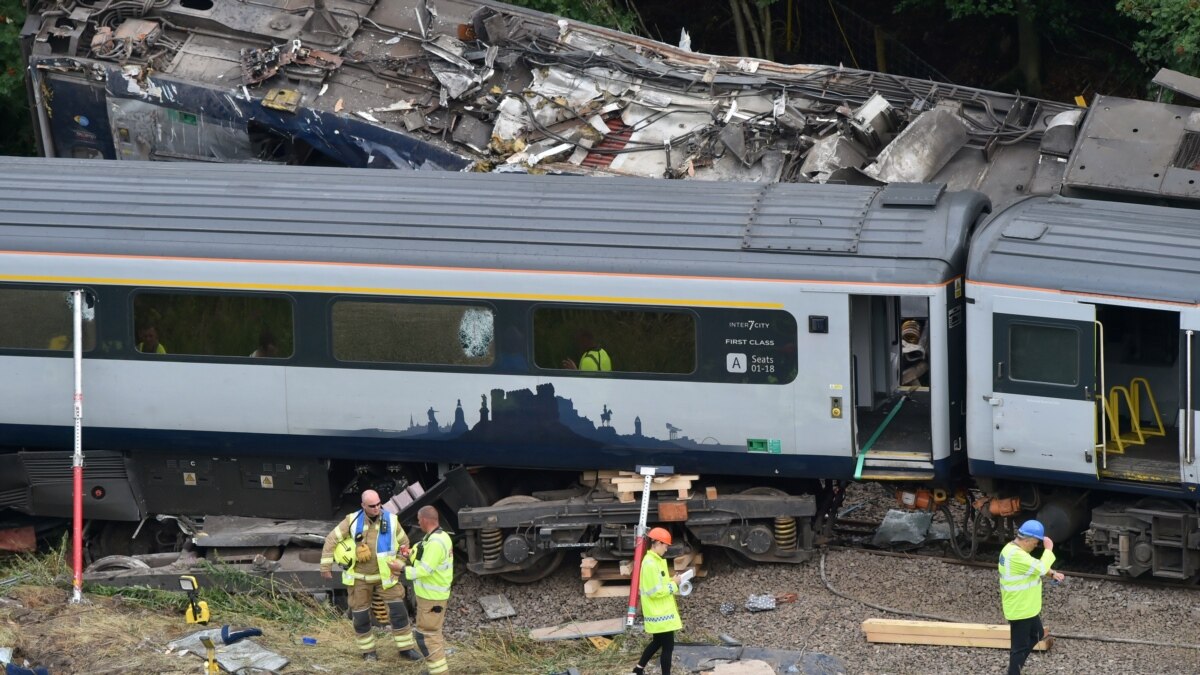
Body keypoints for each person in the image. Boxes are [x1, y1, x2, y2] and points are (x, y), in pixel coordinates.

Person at [320, 490, 421, 663]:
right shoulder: (352, 520)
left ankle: (406, 648)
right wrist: (325, 566)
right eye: (372, 506)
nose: (377, 508)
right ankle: (368, 652)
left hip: (386, 577)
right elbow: (331, 539)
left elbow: (404, 544)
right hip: (359, 579)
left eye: (379, 504)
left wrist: (399, 563)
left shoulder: (391, 520)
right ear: (363, 506)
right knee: (360, 617)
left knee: (399, 613)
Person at [999, 519, 1065, 675]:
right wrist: (1049, 549)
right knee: (1018, 649)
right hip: (1020, 609)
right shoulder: (1016, 556)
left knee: (1038, 634)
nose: (1036, 546)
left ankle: (1016, 666)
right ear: (1027, 540)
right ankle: (1013, 671)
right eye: (1035, 543)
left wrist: (1053, 574)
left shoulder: (1012, 550)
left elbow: (1033, 567)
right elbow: (1040, 567)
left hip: (1027, 607)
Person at [403, 505, 454, 675]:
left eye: (418, 520)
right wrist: (409, 553)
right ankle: (435, 669)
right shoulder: (439, 536)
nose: (418, 523)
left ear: (424, 520)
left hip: (432, 598)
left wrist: (402, 569)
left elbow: (425, 570)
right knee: (431, 635)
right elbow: (423, 553)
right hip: (433, 597)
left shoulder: (435, 543)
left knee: (427, 636)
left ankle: (439, 672)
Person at [633, 527, 682, 675]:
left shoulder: (655, 561)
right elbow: (656, 591)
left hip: (659, 611)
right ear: (658, 543)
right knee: (668, 647)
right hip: (660, 612)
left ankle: (638, 670)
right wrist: (674, 585)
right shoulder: (650, 564)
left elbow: (659, 583)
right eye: (666, 546)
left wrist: (671, 580)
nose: (666, 550)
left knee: (658, 642)